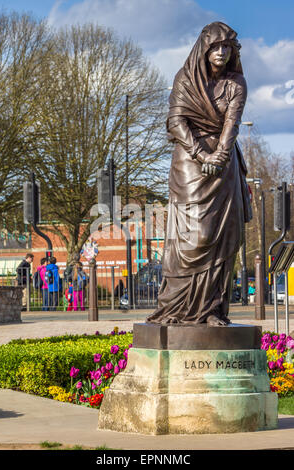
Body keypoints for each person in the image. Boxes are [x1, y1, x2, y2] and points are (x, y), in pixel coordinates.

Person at [146, 22, 252, 326]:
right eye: (215, 47)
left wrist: (219, 155)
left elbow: (232, 124)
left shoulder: (236, 84)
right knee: (196, 236)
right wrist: (201, 154)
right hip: (190, 163)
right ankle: (178, 306)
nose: (221, 52)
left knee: (224, 236)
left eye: (227, 47)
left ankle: (211, 309)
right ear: (203, 50)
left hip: (223, 164)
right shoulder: (186, 79)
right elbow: (176, 122)